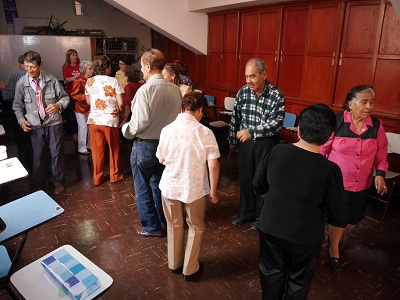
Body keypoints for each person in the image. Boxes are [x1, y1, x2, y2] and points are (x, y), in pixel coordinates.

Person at [253, 104, 348, 299]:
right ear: (330, 136)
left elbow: (258, 186)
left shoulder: (277, 151)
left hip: (271, 226)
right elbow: (337, 215)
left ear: (299, 130)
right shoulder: (330, 170)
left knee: (271, 273)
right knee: (299, 281)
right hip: (305, 235)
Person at [320, 85, 389, 273]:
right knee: (338, 217)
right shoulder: (337, 121)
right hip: (338, 183)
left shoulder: (376, 125)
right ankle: (334, 249)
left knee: (352, 217)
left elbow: (381, 152)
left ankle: (334, 235)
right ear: (350, 104)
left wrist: (380, 174)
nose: (369, 107)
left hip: (362, 183)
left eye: (371, 102)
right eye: (364, 102)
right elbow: (322, 149)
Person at [156, 92, 220, 281]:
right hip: (195, 188)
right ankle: (190, 269)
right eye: (202, 113)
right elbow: (213, 165)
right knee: (196, 226)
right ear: (200, 109)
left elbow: (161, 158)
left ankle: (174, 264)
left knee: (174, 224)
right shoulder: (205, 132)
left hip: (170, 186)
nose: (202, 116)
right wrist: (214, 191)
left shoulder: (166, 130)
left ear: (182, 108)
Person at [122, 48, 182, 237]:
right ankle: (165, 220)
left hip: (146, 146)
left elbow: (139, 123)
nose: (141, 71)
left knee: (142, 187)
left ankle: (151, 227)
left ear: (148, 66)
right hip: (167, 145)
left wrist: (125, 130)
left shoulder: (144, 91)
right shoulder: (175, 89)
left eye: (142, 67)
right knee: (160, 185)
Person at [229, 57, 285, 230]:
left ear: (264, 74)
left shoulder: (276, 94)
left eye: (252, 76)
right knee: (246, 180)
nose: (249, 81)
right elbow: (235, 118)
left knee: (262, 182)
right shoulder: (243, 92)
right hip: (246, 144)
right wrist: (232, 139)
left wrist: (251, 131)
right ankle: (245, 214)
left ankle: (261, 217)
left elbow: (276, 124)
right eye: (246, 76)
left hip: (267, 144)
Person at [13, 50, 70, 195]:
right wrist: (21, 121)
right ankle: (39, 183)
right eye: (26, 67)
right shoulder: (21, 83)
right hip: (35, 126)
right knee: (38, 156)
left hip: (53, 123)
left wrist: (57, 105)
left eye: (32, 66)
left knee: (56, 154)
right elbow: (17, 106)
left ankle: (58, 182)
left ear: (40, 65)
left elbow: (65, 98)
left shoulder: (51, 79)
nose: (29, 70)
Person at [85, 55, 125, 186]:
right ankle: (115, 175)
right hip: (110, 120)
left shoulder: (89, 81)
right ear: (107, 67)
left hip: (94, 120)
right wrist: (122, 113)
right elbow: (121, 103)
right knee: (114, 149)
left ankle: (98, 178)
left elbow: (88, 101)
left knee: (97, 150)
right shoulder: (113, 81)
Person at [70, 60, 93, 155]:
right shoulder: (79, 79)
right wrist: (86, 97)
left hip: (89, 107)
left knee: (90, 127)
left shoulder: (91, 80)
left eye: (92, 68)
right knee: (83, 127)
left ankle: (90, 146)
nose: (92, 70)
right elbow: (73, 95)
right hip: (80, 108)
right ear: (84, 69)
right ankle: (82, 147)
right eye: (90, 69)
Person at [62, 49, 80, 142]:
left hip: (81, 93)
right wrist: (76, 77)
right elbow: (67, 79)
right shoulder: (65, 67)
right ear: (69, 57)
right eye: (73, 55)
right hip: (71, 94)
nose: (75, 57)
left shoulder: (80, 66)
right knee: (72, 114)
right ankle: (75, 133)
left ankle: (83, 133)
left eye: (76, 55)